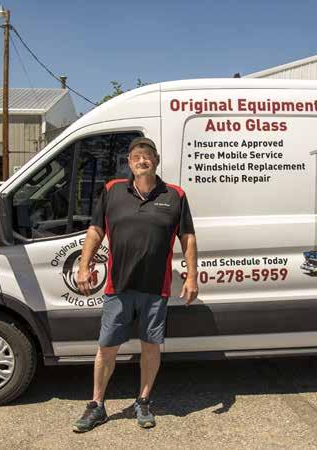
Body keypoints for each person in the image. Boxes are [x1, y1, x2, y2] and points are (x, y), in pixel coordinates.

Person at [72, 137, 198, 432]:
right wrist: (84, 265)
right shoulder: (113, 190)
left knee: (151, 347)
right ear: (129, 162)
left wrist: (192, 275)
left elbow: (187, 237)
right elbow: (95, 230)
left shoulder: (175, 195)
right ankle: (96, 405)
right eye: (136, 156)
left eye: (148, 155)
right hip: (118, 286)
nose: (142, 160)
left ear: (156, 160)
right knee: (107, 347)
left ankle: (143, 401)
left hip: (156, 287)